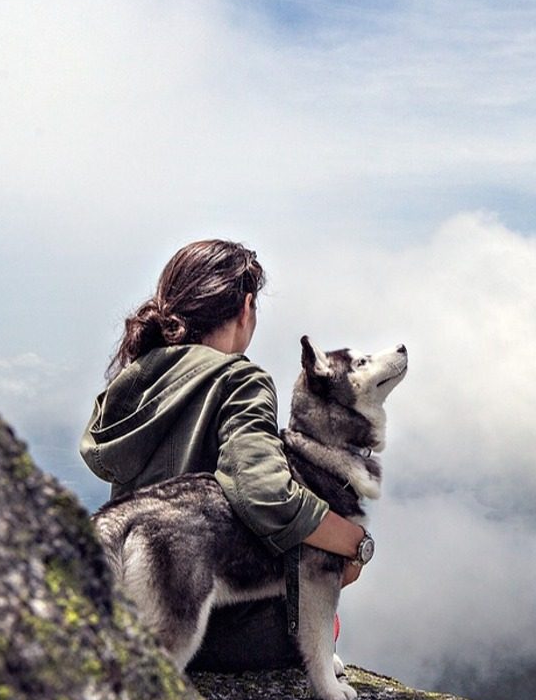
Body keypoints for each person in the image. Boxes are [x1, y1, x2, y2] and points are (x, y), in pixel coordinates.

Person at [79, 239, 367, 670]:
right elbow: (264, 490)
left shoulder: (133, 381)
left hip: (136, 615)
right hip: (218, 631)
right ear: (246, 306)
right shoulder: (239, 379)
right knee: (323, 614)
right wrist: (353, 543)